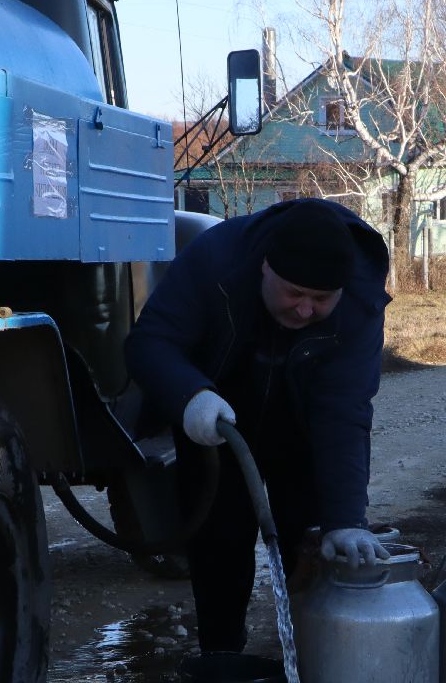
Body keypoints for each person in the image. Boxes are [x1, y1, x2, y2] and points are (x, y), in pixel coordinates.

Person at [124, 198, 392, 654]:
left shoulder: (360, 298)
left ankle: (311, 663)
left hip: (304, 430)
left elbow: (345, 409)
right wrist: (190, 395)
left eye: (321, 300)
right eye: (294, 294)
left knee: (310, 546)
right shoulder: (215, 260)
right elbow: (150, 342)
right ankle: (222, 662)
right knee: (220, 550)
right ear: (265, 268)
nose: (305, 311)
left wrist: (345, 520)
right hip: (215, 420)